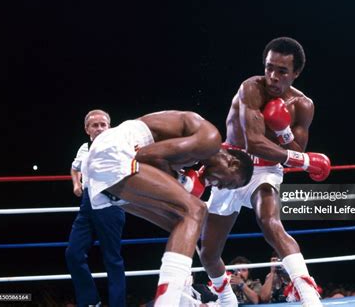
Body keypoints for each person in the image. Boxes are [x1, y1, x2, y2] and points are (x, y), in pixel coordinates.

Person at [200, 37, 330, 307]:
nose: (272, 76)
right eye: (269, 67)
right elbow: (253, 142)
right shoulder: (251, 88)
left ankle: (309, 295)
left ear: (295, 73)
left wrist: (283, 131)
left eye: (282, 71)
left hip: (266, 170)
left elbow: (295, 151)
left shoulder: (303, 105)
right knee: (209, 252)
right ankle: (225, 298)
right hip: (231, 167)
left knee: (270, 223)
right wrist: (304, 161)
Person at [85, 110, 254, 307]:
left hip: (107, 163)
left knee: (179, 222)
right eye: (228, 183)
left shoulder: (192, 155)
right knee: (196, 210)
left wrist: (180, 180)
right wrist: (180, 182)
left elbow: (153, 158)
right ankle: (168, 300)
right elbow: (145, 154)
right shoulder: (210, 140)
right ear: (232, 163)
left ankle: (182, 287)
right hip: (116, 150)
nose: (219, 187)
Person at [66, 109, 127, 307]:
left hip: (110, 205)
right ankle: (91, 302)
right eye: (95, 125)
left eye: (103, 124)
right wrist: (76, 184)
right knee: (73, 254)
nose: (100, 128)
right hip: (87, 206)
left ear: (109, 127)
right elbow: (74, 168)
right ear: (87, 129)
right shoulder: (84, 148)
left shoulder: (119, 146)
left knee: (112, 259)